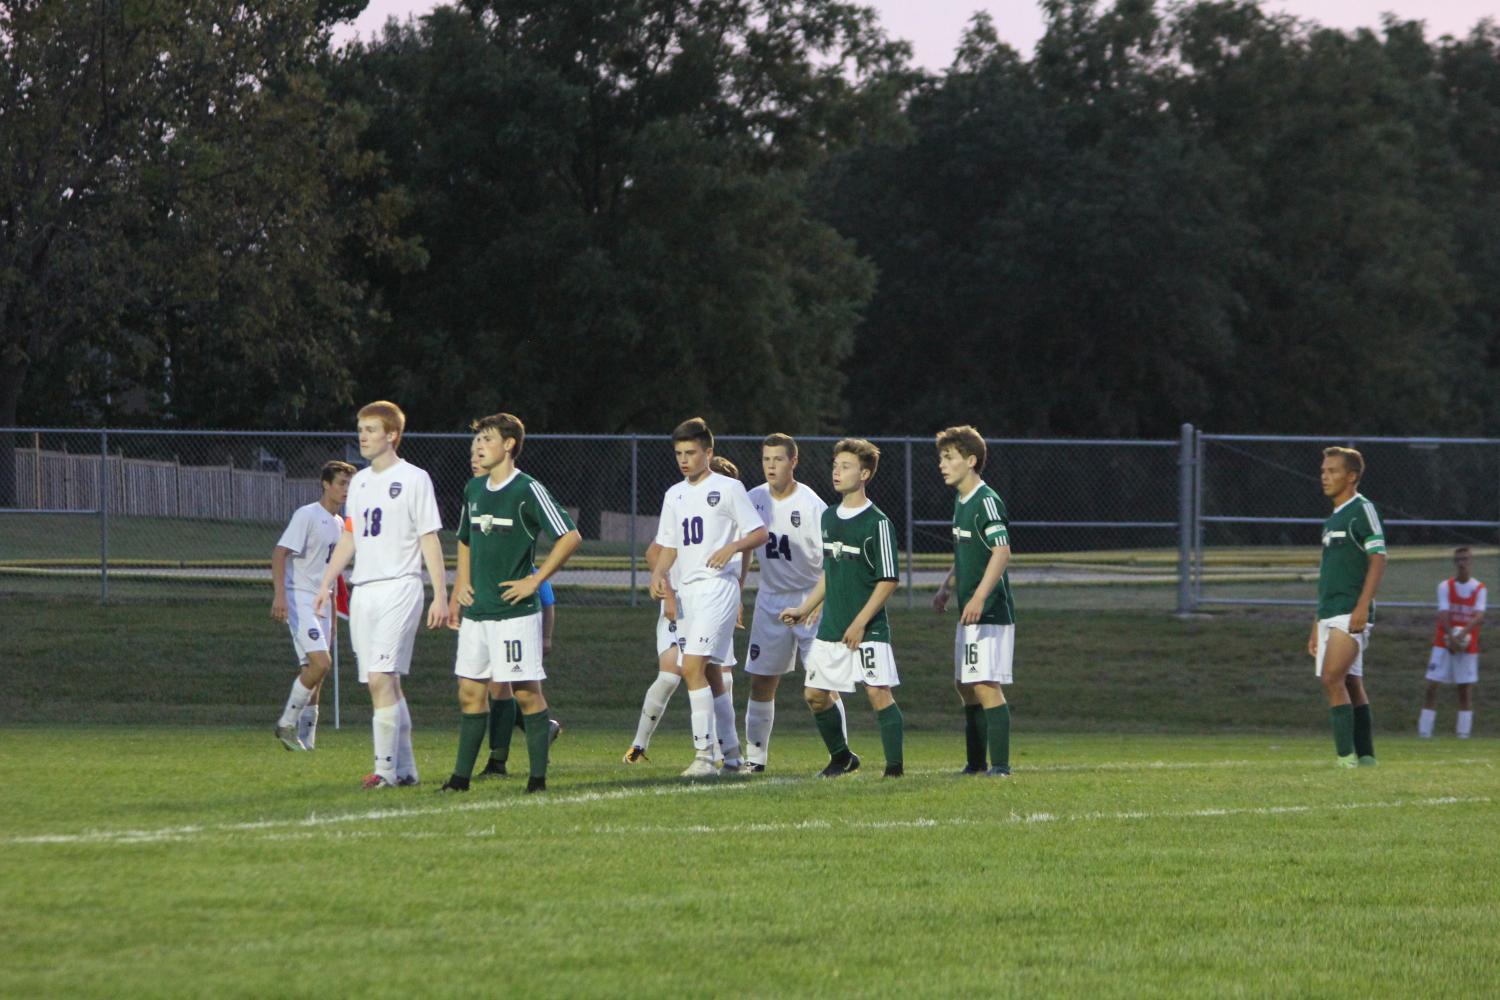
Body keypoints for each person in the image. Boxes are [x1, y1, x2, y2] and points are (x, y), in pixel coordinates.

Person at [439, 413, 580, 794]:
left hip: (515, 614)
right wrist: (459, 586)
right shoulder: (473, 489)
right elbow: (465, 538)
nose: (477, 447)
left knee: (524, 692)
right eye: (475, 442)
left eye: (485, 439)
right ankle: (459, 780)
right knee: (469, 692)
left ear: (509, 444)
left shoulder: (527, 489)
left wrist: (536, 579)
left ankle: (537, 780)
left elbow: (569, 536)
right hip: (477, 613)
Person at [314, 401, 448, 789]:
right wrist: (325, 582)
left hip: (400, 586)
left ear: (391, 435)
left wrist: (440, 594)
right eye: (361, 428)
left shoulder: (414, 478)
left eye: (371, 429)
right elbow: (350, 536)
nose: (363, 436)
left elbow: (429, 538)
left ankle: (384, 770)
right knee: (386, 682)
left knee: (379, 677)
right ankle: (406, 770)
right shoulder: (359, 483)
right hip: (365, 591)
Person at [648, 418, 768, 777]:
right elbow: (668, 546)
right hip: (687, 593)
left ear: (708, 453)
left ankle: (704, 756)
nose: (684, 459)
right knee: (712, 672)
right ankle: (731, 756)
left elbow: (759, 532)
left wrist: (731, 546)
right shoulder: (675, 494)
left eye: (691, 452)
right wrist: (659, 575)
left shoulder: (729, 488)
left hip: (718, 587)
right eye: (679, 453)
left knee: (691, 667)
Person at [779, 439, 905, 778]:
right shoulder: (829, 518)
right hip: (832, 626)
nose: (837, 471)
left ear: (864, 473)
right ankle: (842, 758)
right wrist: (805, 608)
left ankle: (894, 771)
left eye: (845, 466)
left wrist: (862, 622)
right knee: (815, 695)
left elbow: (888, 579)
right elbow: (830, 573)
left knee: (878, 693)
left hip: (868, 627)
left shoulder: (877, 522)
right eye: (835, 466)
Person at [623, 456, 746, 765]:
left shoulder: (732, 522)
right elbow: (656, 551)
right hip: (682, 604)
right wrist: (668, 591)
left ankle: (724, 752)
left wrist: (737, 598)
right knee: (672, 676)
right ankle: (639, 745)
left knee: (718, 675)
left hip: (713, 600)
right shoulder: (682, 500)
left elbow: (743, 561)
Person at [741, 434, 828, 773]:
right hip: (770, 601)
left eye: (778, 459)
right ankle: (755, 759)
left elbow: (831, 563)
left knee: (821, 685)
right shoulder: (753, 499)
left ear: (794, 462)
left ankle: (841, 755)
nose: (771, 466)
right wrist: (738, 587)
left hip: (811, 599)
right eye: (766, 460)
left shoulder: (811, 505)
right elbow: (744, 544)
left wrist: (819, 600)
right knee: (762, 681)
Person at [931, 426, 1014, 777]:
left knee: (984, 683)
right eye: (941, 458)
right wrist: (947, 584)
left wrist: (980, 595)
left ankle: (1000, 766)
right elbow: (969, 550)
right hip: (969, 609)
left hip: (990, 610)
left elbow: (1001, 550)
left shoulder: (986, 500)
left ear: (971, 460)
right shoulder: (962, 499)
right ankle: (976, 763)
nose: (942, 465)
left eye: (949, 458)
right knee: (965, 684)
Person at [1307, 446, 1386, 768]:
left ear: (1352, 476)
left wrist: (1362, 606)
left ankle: (1345, 758)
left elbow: (1378, 558)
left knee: (1331, 678)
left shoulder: (1362, 509)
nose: (1325, 477)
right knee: (1351, 682)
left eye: (1333, 471)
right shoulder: (1333, 519)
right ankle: (1366, 757)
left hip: (1350, 612)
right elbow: (1328, 574)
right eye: (1324, 471)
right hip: (1331, 611)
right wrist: (1316, 621)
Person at [271, 460, 355, 751]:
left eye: (350, 484)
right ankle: (285, 724)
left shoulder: (340, 524)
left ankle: (305, 742)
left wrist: (332, 608)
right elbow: (280, 554)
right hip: (300, 598)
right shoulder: (307, 515)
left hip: (323, 603)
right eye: (341, 483)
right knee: (321, 663)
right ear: (326, 484)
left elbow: (332, 572)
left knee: (315, 672)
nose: (346, 490)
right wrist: (280, 596)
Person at [1419, 547, 1484, 739]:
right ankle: (1424, 733)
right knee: (1431, 686)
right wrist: (1451, 638)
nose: (1462, 563)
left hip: (1466, 646)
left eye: (1466, 559)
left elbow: (1479, 616)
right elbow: (1443, 614)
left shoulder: (1479, 588)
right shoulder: (1445, 586)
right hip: (1443, 644)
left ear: (1471, 562)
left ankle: (1463, 735)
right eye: (1459, 560)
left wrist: (1461, 636)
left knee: (1464, 689)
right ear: (1455, 563)